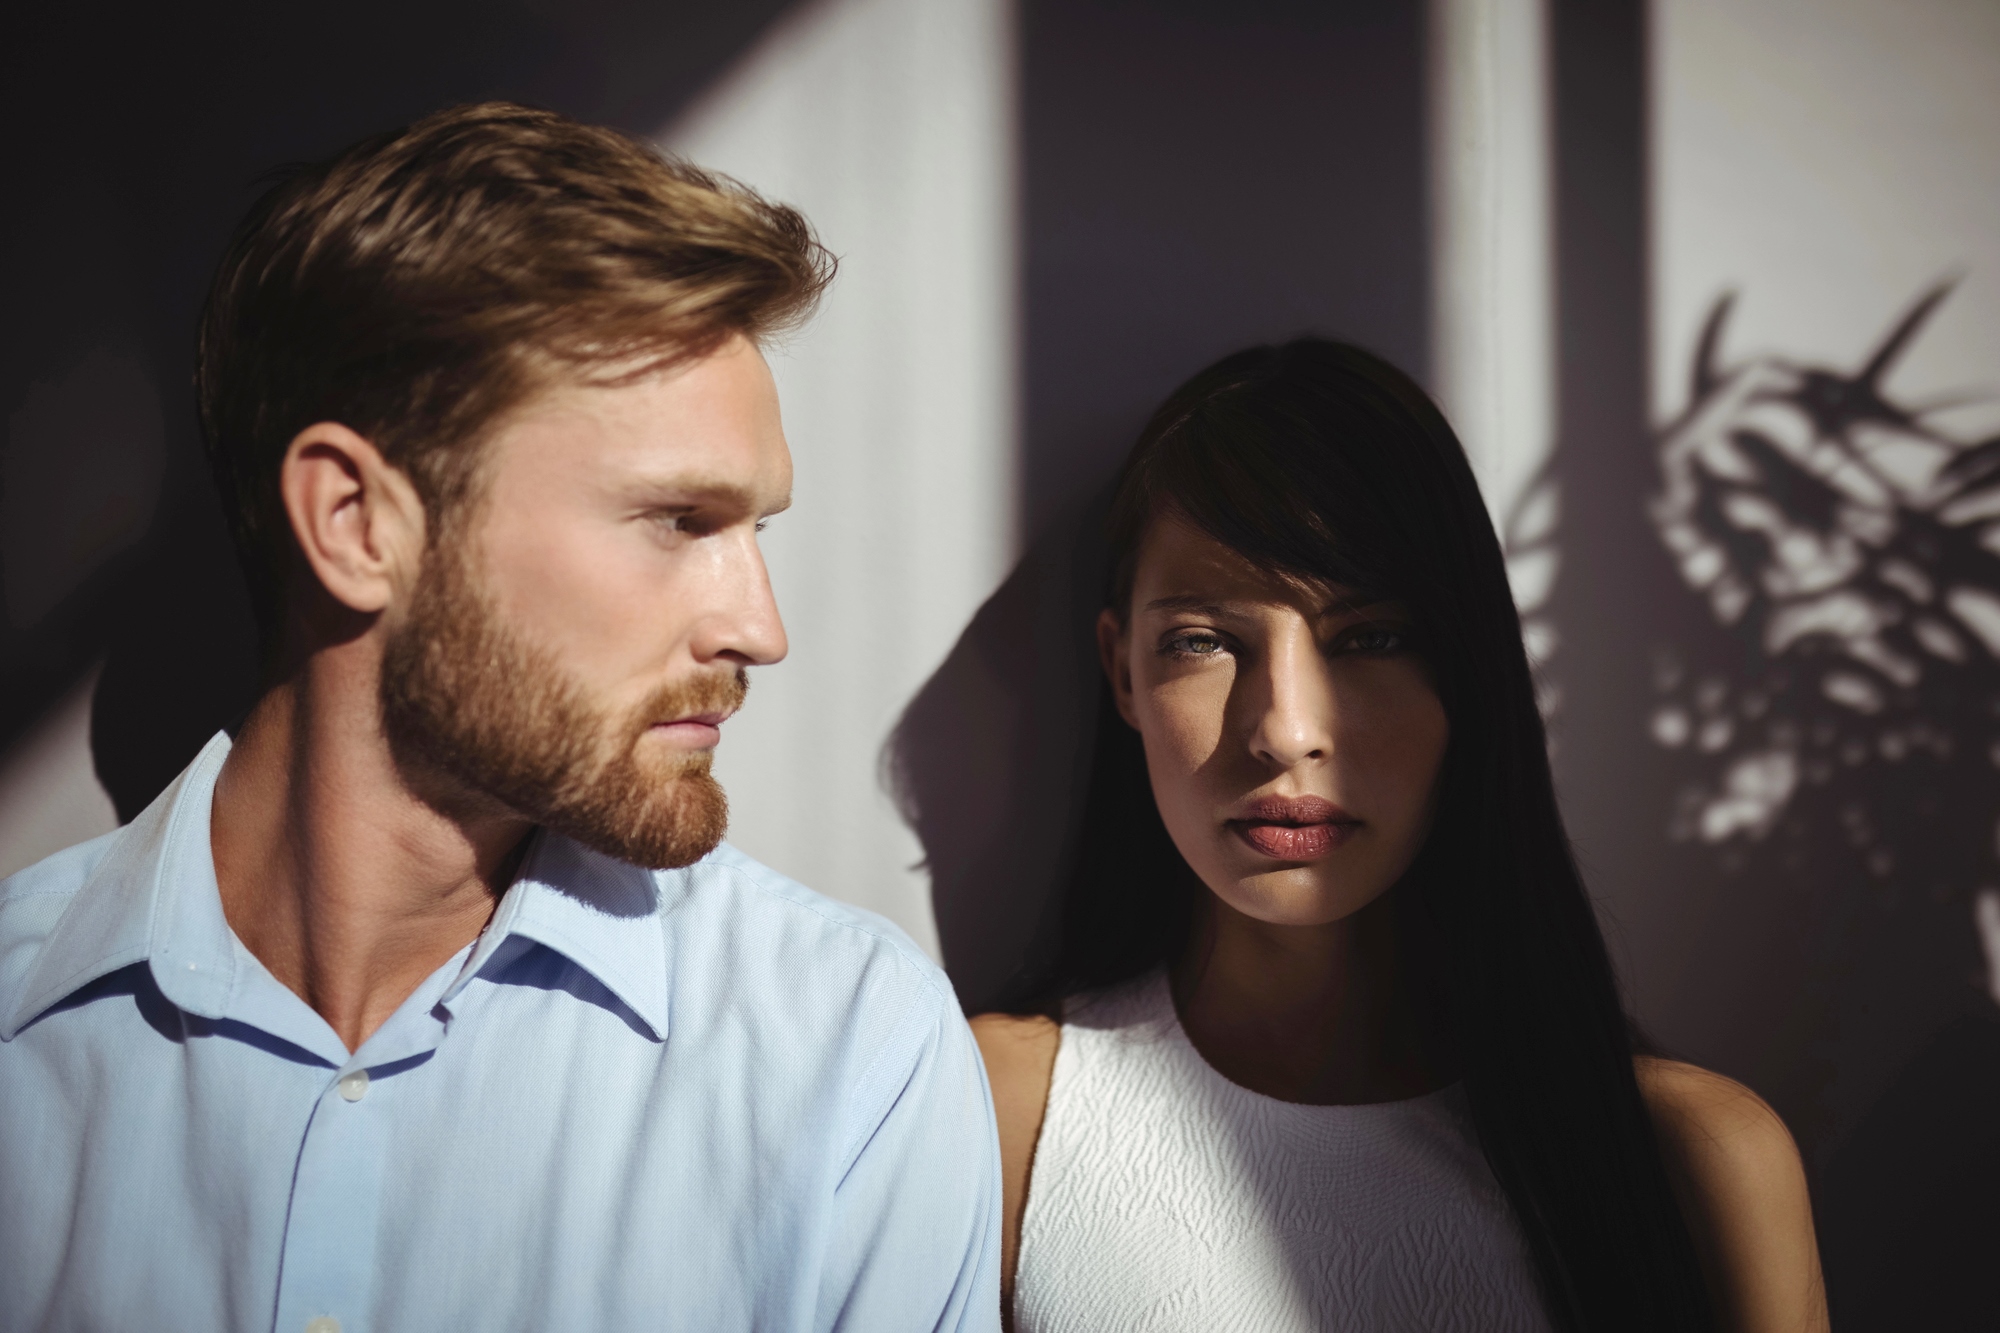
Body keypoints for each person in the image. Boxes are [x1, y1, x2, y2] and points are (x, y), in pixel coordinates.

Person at [0, 103, 999, 1332]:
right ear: (358, 525)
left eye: (756, 530)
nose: (760, 628)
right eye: (676, 521)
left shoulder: (845, 1061)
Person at [972, 339, 1827, 1332]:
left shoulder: (1700, 1161)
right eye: (1204, 641)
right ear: (1121, 672)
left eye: (1368, 638)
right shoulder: (998, 1111)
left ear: (1465, 671)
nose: (1286, 731)